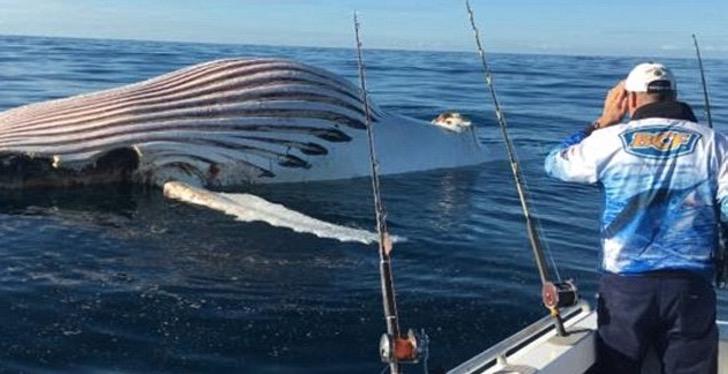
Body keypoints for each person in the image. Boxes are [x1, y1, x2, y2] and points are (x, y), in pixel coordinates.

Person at [544, 62, 723, 373]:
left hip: (626, 288)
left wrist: (602, 122)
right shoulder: (715, 143)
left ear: (628, 99)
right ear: (674, 95)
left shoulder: (608, 140)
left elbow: (555, 164)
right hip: (691, 288)